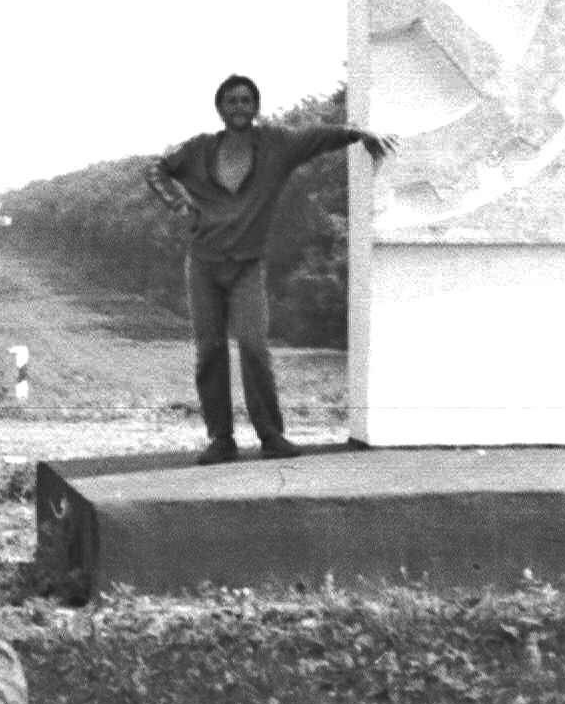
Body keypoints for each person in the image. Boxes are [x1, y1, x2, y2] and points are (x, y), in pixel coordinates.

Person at [144, 76, 393, 461]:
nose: (239, 107)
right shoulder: (198, 149)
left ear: (256, 107)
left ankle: (271, 436)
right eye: (231, 101)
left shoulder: (277, 144)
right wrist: (178, 204)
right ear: (220, 108)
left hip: (247, 266)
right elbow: (156, 170)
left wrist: (358, 133)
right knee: (210, 351)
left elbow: (318, 136)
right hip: (204, 265)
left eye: (246, 100)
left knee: (254, 346)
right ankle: (221, 439)